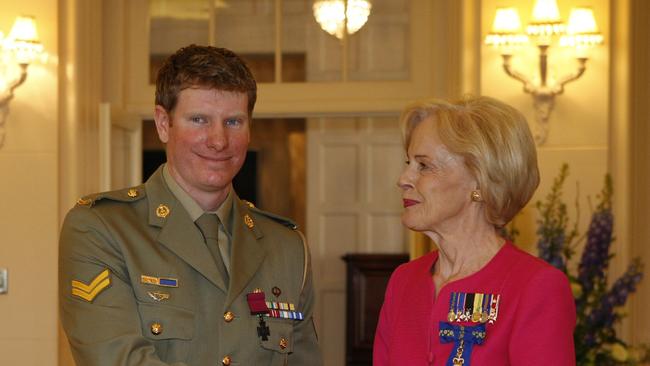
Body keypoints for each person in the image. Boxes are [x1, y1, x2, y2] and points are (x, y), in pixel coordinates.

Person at [59, 45, 322, 366]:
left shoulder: (287, 247)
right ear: (163, 124)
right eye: (199, 119)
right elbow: (115, 359)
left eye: (234, 122)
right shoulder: (102, 228)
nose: (218, 140)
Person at [373, 96, 576, 366]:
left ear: (479, 179)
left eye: (424, 165)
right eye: (407, 163)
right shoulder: (403, 281)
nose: (403, 179)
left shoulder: (534, 287)